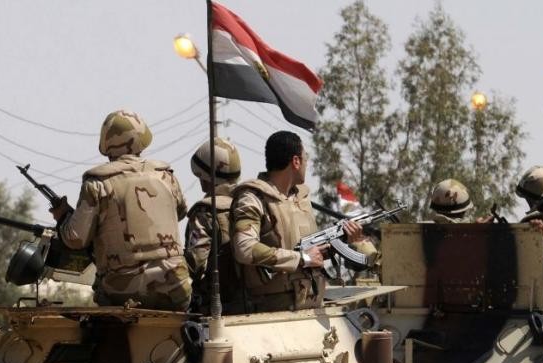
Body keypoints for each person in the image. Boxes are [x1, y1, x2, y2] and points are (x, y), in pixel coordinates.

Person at [50, 109, 191, 311]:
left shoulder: (97, 183)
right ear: (142, 139)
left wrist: (63, 217)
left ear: (106, 145)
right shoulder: (166, 176)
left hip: (121, 292)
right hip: (175, 287)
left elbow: (76, 239)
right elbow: (180, 212)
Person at [231, 130, 376, 312]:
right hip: (273, 312)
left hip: (311, 306)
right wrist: (302, 258)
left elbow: (313, 255)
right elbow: (244, 248)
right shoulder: (253, 198)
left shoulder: (301, 199)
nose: (307, 164)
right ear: (296, 161)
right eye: (305, 158)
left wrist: (342, 240)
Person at [184, 137, 242, 313]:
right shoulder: (249, 203)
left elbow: (194, 265)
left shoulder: (206, 212)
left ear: (204, 177)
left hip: (216, 307)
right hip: (251, 303)